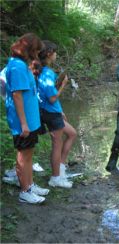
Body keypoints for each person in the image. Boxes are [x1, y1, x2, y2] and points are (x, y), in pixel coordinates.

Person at [5, 33, 49, 204]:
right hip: (23, 122)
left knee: (29, 154)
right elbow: (16, 95)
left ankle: (30, 185)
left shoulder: (22, 65)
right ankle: (24, 192)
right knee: (23, 156)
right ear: (30, 49)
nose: (37, 55)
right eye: (36, 51)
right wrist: (23, 123)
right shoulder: (16, 67)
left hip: (31, 120)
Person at [38, 40, 77, 188]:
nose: (56, 55)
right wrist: (63, 85)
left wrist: (60, 110)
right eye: (55, 52)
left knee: (72, 133)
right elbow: (52, 97)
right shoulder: (47, 72)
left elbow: (47, 94)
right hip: (50, 112)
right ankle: (55, 178)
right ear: (49, 54)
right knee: (56, 144)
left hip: (52, 111)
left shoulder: (40, 70)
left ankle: (60, 167)